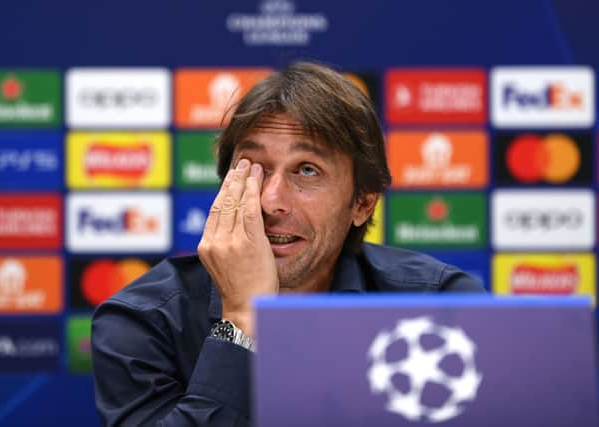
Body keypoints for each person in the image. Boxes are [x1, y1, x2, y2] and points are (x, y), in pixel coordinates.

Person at [91, 61, 485, 427]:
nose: (270, 200)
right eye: (253, 169)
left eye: (307, 170)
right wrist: (243, 321)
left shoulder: (441, 304)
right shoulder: (142, 321)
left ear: (362, 202)